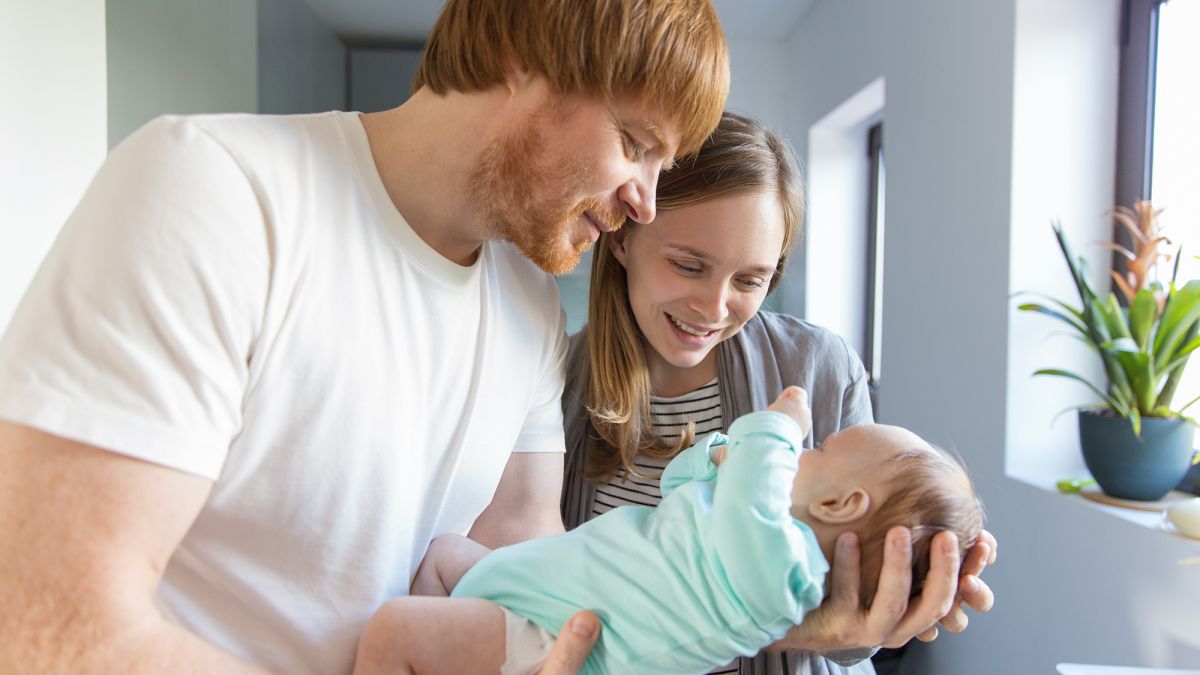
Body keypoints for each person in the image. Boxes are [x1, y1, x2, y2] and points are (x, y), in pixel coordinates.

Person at [0, 1, 729, 673]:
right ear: (523, 58)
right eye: (635, 143)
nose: (646, 202)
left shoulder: (529, 302)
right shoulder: (216, 190)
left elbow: (522, 558)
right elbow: (48, 619)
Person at [559, 112, 999, 674]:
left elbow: (847, 637)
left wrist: (893, 602)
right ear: (623, 238)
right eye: (688, 266)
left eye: (750, 280)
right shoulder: (557, 378)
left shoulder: (820, 368)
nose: (714, 308)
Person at [350, 386, 984, 675]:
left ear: (842, 504)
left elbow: (751, 508)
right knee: (443, 553)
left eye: (819, 450)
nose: (802, 449)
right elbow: (679, 488)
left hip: (547, 641)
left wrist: (776, 429)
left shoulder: (780, 577)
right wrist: (717, 456)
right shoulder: (739, 531)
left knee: (394, 630)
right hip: (523, 593)